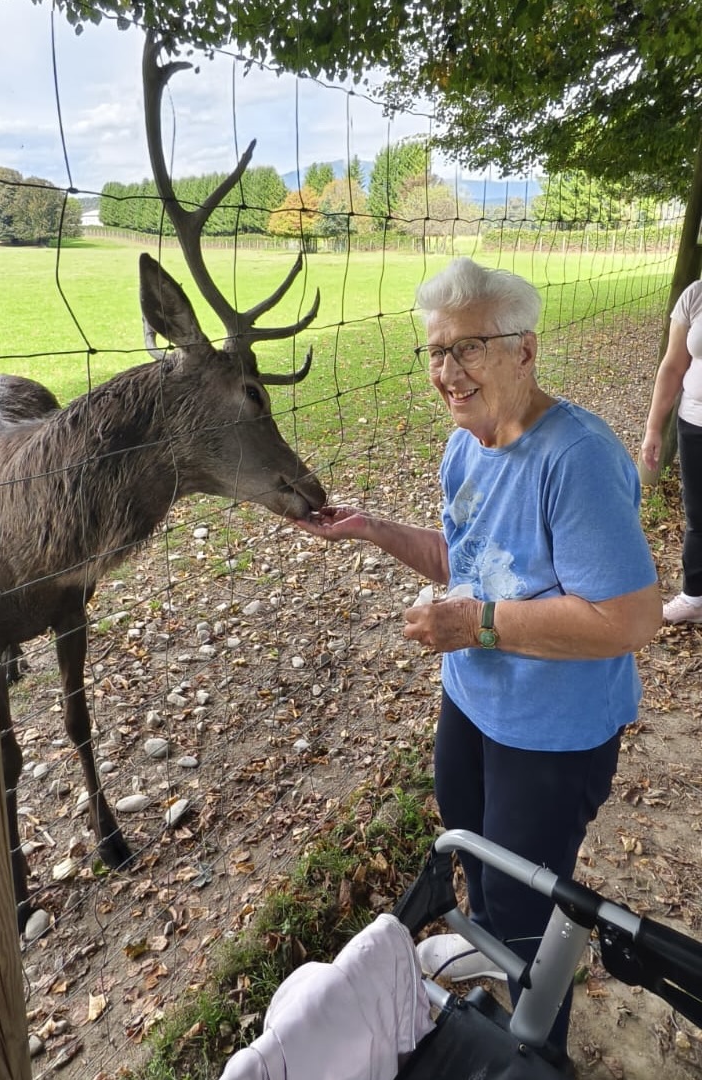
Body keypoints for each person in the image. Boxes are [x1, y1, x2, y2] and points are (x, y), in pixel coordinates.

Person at [294, 257, 661, 1066]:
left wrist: (478, 624)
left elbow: (630, 617)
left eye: (468, 349)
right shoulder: (466, 448)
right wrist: (379, 530)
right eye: (434, 352)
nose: (446, 373)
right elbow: (468, 561)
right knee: (478, 877)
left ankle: (535, 1059)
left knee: (531, 916)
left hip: (553, 734)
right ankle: (500, 1010)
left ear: (525, 351)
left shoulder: (577, 459)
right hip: (471, 707)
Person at [641, 279, 702, 623]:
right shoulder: (695, 294)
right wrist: (653, 428)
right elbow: (673, 366)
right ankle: (695, 597)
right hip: (695, 424)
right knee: (699, 515)